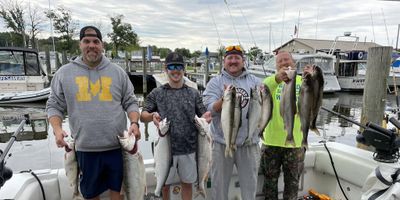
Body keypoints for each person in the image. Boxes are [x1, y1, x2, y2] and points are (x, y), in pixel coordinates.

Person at [46, 25, 141, 200]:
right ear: (80, 44)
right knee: (90, 194)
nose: (91, 45)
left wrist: (134, 123)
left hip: (118, 148)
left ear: (102, 45)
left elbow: (131, 101)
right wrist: (57, 130)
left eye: (96, 41)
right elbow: (54, 105)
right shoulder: (64, 73)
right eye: (87, 41)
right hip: (84, 149)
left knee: (118, 192)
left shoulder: (118, 73)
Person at [140, 52, 211, 200]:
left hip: (190, 148)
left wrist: (206, 117)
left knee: (187, 184)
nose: (175, 70)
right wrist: (152, 116)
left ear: (183, 70)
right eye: (171, 67)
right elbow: (143, 115)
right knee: (164, 186)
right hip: (165, 149)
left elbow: (203, 114)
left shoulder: (193, 93)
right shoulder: (157, 93)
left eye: (179, 66)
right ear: (166, 69)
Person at [202, 45, 261, 200]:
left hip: (249, 144)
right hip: (221, 143)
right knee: (219, 188)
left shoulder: (255, 81)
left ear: (243, 61)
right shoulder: (215, 82)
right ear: (224, 61)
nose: (233, 61)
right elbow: (209, 107)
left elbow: (263, 107)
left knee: (250, 187)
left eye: (237, 58)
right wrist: (225, 99)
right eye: (230, 58)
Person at [259, 51, 310, 200]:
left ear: (293, 62)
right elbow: (263, 88)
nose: (283, 63)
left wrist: (311, 78)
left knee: (292, 184)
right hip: (271, 142)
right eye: (280, 61)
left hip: (295, 144)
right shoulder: (269, 82)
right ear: (276, 65)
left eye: (286, 59)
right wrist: (276, 79)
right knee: (270, 183)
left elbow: (314, 92)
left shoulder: (302, 81)